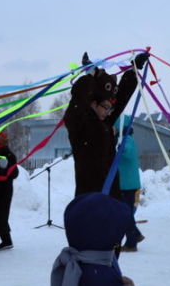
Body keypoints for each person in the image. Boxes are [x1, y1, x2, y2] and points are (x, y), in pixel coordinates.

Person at [63, 52, 147, 199]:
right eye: (105, 107)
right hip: (89, 195)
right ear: (93, 103)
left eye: (110, 108)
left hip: (110, 192)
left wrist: (134, 70)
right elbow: (79, 100)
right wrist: (90, 76)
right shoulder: (79, 123)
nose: (109, 113)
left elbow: (121, 99)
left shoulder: (105, 121)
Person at [115, 115, 144, 252]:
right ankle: (136, 235)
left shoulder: (127, 140)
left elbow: (126, 153)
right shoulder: (125, 140)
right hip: (125, 184)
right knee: (125, 214)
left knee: (125, 214)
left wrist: (119, 147)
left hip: (128, 186)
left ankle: (132, 243)